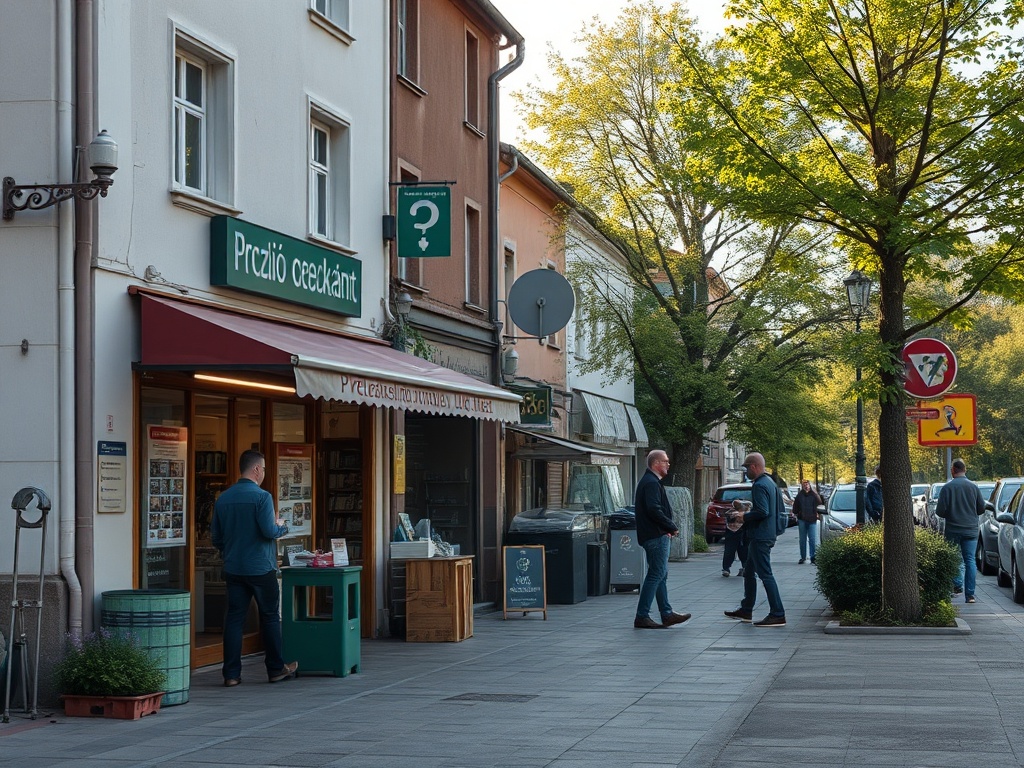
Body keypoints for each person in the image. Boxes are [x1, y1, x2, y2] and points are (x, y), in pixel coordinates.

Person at [212, 449, 299, 686]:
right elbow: (268, 531)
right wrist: (282, 526)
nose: (264, 474)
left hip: (234, 568)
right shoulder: (262, 497)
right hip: (261, 567)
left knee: (234, 619)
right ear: (257, 469)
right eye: (264, 469)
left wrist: (230, 550)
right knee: (270, 616)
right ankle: (275, 669)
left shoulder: (223, 498)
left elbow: (216, 538)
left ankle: (231, 674)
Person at [724, 452, 786, 627]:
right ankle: (746, 609)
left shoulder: (759, 485)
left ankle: (777, 613)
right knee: (749, 572)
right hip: (766, 534)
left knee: (765, 574)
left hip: (760, 536)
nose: (745, 472)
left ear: (753, 466)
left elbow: (763, 511)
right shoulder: (770, 482)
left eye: (746, 468)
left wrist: (743, 516)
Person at [633, 450, 691, 629]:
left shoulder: (651, 481)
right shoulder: (651, 483)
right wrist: (670, 526)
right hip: (655, 536)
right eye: (666, 461)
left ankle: (667, 613)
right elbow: (654, 509)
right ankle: (642, 615)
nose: (668, 465)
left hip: (654, 534)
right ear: (656, 463)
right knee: (656, 573)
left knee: (661, 574)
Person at [935, 458, 986, 603]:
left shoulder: (947, 488)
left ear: (953, 470)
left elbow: (940, 512)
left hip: (953, 530)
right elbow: (981, 508)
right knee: (970, 560)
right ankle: (970, 595)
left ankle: (957, 585)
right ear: (965, 470)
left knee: (955, 559)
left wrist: (952, 512)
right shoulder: (973, 487)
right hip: (971, 530)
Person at [792, 479, 822, 564]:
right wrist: (797, 513)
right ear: (802, 486)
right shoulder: (799, 495)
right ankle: (803, 557)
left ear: (810, 485)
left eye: (807, 484)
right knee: (802, 539)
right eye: (804, 484)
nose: (806, 486)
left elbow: (819, 503)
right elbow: (795, 508)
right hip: (802, 520)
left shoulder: (814, 495)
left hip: (812, 520)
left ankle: (813, 557)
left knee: (812, 539)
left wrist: (816, 493)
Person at [722, 499, 747, 578]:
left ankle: (744, 568)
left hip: (739, 532)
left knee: (742, 551)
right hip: (733, 532)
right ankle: (726, 568)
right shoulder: (732, 512)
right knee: (731, 551)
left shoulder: (735, 513)